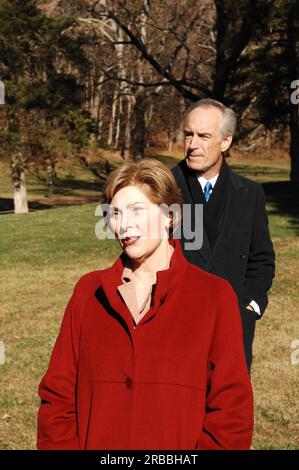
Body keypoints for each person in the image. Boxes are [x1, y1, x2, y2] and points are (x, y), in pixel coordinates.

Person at [37, 159, 253, 450]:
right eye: (115, 213)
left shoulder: (214, 295)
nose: (124, 225)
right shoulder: (88, 292)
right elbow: (58, 397)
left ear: (169, 216)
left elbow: (231, 410)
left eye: (137, 210)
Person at [171, 99, 275, 372]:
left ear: (226, 142)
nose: (193, 144)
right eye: (188, 134)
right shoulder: (164, 187)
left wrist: (250, 305)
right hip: (173, 327)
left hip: (232, 328)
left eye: (204, 136)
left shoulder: (250, 194)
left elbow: (261, 259)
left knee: (228, 410)